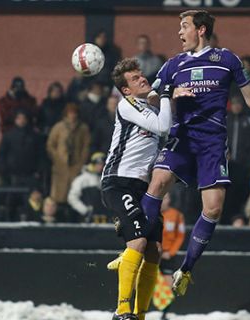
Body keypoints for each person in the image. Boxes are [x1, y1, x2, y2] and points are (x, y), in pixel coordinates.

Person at [142, 10, 250, 296]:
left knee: (214, 208)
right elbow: (151, 96)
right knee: (156, 183)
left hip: (212, 143)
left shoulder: (227, 60)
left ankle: (186, 269)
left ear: (201, 30)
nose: (179, 33)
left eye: (184, 27)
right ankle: (141, 245)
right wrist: (170, 92)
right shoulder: (173, 65)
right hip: (182, 138)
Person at [101, 58, 179, 320]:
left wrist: (164, 95)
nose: (142, 79)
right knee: (138, 240)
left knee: (154, 250)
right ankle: (123, 309)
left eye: (141, 75)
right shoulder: (128, 104)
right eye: (135, 79)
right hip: (118, 181)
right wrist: (166, 93)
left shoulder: (150, 106)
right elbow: (163, 126)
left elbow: (165, 124)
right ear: (126, 90)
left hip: (144, 188)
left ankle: (141, 314)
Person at [46, 102, 90, 206]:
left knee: (74, 194)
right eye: (70, 113)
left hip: (76, 166)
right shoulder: (59, 127)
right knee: (58, 196)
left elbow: (86, 146)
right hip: (61, 166)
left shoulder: (83, 128)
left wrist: (81, 161)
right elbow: (50, 144)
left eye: (74, 113)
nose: (72, 115)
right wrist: (57, 158)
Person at [155, 193, 185, 320]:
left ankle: (164, 314)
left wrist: (171, 252)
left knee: (168, 285)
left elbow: (180, 236)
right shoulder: (151, 212)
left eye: (166, 198)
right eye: (161, 198)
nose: (163, 201)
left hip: (167, 255)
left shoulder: (177, 215)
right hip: (152, 254)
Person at [68, 152, 107, 223]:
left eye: (102, 164)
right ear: (92, 164)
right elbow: (72, 197)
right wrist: (85, 210)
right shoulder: (82, 179)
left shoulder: (105, 179)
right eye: (98, 164)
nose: (100, 167)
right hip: (87, 218)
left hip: (104, 217)